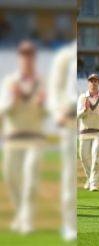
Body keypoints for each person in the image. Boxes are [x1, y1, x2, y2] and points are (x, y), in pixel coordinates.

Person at [0, 41, 46, 234]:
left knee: (30, 178)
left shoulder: (41, 82)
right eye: (23, 55)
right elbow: (3, 110)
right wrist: (13, 99)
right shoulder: (10, 81)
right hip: (13, 137)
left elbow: (47, 114)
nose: (27, 59)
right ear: (19, 58)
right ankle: (20, 213)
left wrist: (42, 105)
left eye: (30, 55)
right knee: (11, 178)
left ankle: (27, 219)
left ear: (34, 58)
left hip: (34, 137)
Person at [47, 40, 78, 241]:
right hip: (68, 121)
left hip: (82, 121)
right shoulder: (64, 56)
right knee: (69, 174)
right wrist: (57, 112)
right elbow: (54, 90)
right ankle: (69, 224)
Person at [77, 74, 99, 192]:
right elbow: (78, 115)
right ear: (88, 83)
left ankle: (93, 183)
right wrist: (84, 110)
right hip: (84, 131)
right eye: (91, 81)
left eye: (95, 81)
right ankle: (90, 178)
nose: (93, 83)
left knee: (96, 155)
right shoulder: (82, 97)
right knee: (84, 157)